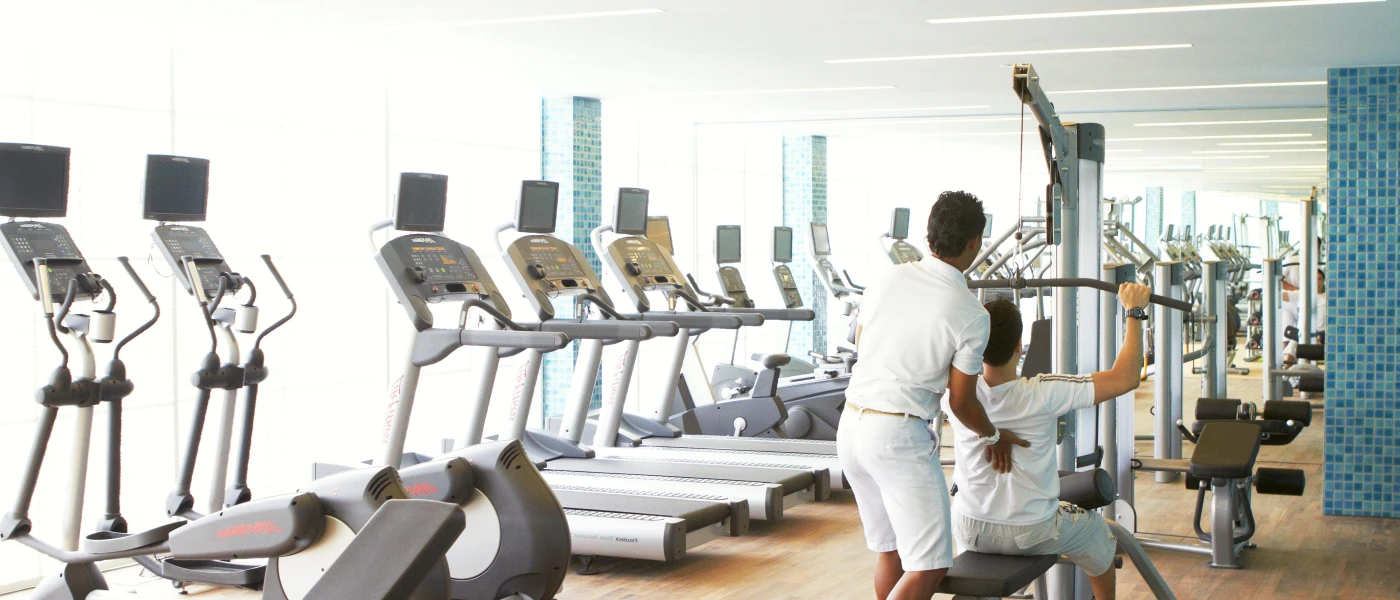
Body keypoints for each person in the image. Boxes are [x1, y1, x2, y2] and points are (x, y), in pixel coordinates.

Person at [837, 191, 1029, 600]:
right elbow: (961, 402)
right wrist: (993, 435)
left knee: (891, 552)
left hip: (850, 428)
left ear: (930, 235)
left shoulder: (887, 277)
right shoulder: (970, 313)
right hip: (895, 436)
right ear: (975, 241)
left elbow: (863, 343)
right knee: (931, 564)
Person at [947, 283, 1152, 600]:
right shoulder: (1042, 392)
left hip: (969, 527)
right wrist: (1134, 312)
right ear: (1019, 346)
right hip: (1031, 531)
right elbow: (1126, 377)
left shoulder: (955, 395)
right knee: (1099, 532)